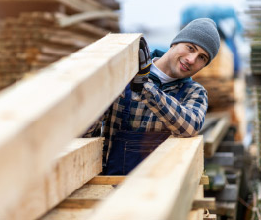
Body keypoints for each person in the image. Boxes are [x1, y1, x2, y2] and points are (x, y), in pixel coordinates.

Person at [84, 18, 220, 175]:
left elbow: (190, 127)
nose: (191, 59)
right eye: (190, 48)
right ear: (175, 43)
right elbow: (87, 133)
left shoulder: (194, 92)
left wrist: (144, 86)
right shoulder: (125, 76)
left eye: (202, 57)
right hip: (110, 187)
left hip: (158, 192)